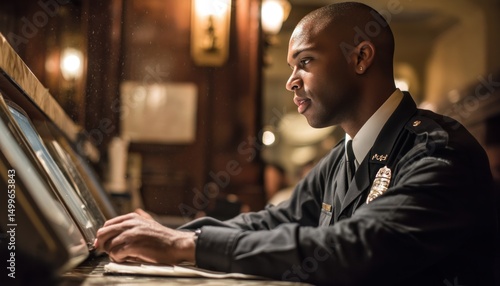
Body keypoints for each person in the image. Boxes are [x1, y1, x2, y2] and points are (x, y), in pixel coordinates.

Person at [95, 2, 497, 285]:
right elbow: (276, 221)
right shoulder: (342, 157)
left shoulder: (439, 151)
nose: (291, 82)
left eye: (305, 62)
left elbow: (356, 251)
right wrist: (175, 233)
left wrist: (185, 245)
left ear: (361, 58)